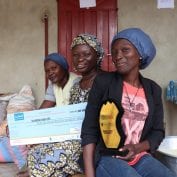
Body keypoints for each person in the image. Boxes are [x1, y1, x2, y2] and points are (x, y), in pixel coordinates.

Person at [81, 28, 177, 177]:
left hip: (139, 157)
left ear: (140, 54)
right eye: (114, 52)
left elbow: (158, 132)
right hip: (107, 156)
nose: (118, 56)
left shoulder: (153, 89)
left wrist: (137, 148)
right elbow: (89, 129)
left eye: (125, 50)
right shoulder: (104, 82)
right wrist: (89, 173)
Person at [25, 34, 104, 177]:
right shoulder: (77, 86)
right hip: (71, 133)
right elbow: (47, 112)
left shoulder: (103, 81)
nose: (80, 59)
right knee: (34, 152)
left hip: (90, 139)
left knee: (46, 159)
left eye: (86, 54)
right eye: (76, 55)